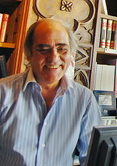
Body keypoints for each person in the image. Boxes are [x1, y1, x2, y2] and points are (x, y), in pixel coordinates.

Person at [0, 18, 102, 165]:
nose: (54, 58)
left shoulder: (84, 99)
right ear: (29, 54)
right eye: (44, 49)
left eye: (62, 49)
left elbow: (93, 159)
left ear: (71, 54)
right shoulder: (3, 92)